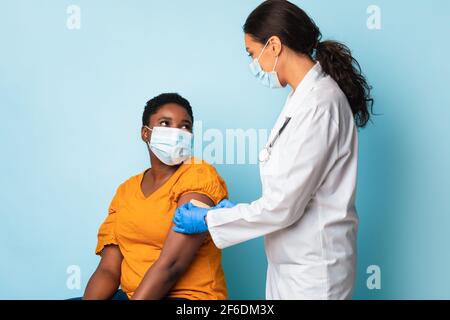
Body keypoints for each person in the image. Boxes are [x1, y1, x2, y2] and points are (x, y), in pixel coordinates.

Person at [173, 0, 374, 300]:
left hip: (315, 273)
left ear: (275, 45)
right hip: (291, 265)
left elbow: (283, 206)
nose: (254, 65)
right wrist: (229, 214)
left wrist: (210, 219)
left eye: (253, 54)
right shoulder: (302, 99)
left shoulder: (320, 105)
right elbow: (288, 192)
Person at [82, 93, 229, 300]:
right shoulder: (126, 191)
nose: (177, 132)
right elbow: (108, 270)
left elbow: (172, 265)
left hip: (189, 298)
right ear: (145, 133)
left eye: (185, 126)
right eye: (165, 123)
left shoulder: (199, 175)